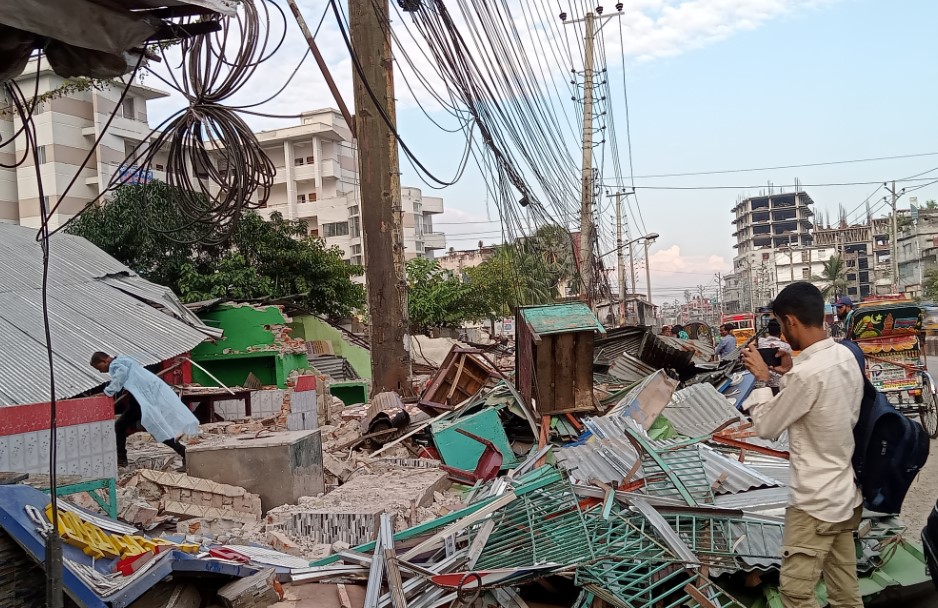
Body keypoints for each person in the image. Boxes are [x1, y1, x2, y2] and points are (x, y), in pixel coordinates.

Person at [740, 282, 864, 608]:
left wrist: (764, 380)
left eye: (781, 325)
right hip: (844, 495)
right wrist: (787, 374)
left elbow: (766, 427)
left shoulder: (806, 375)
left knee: (795, 594)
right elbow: (821, 403)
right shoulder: (845, 356)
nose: (781, 334)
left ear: (791, 321)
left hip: (814, 503)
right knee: (844, 592)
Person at [91, 352, 199, 467]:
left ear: (104, 361)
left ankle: (122, 460)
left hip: (140, 402)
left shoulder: (115, 365)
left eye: (99, 368)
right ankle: (183, 452)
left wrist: (107, 392)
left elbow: (121, 375)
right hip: (141, 400)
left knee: (126, 427)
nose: (101, 371)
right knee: (133, 428)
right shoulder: (124, 359)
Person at [757, 319, 794, 395]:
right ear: (780, 331)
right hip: (780, 382)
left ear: (768, 330)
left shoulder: (761, 342)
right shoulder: (786, 346)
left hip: (765, 381)